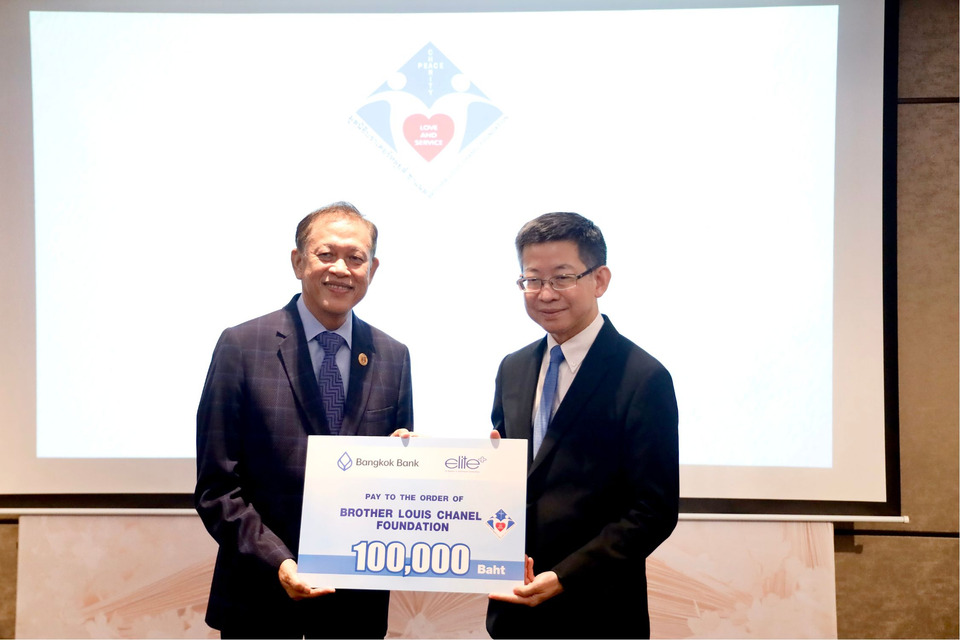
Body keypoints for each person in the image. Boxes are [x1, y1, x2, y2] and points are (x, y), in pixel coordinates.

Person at [195, 202, 413, 639]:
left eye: (355, 258)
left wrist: (415, 464)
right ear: (298, 261)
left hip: (355, 609)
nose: (341, 269)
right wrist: (279, 562)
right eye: (325, 254)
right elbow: (217, 488)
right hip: (259, 601)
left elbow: (394, 487)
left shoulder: (393, 355)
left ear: (372, 268)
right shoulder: (242, 346)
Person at [486, 212, 679, 639]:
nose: (545, 293)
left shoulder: (642, 377)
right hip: (514, 612)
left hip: (598, 612)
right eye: (532, 279)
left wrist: (565, 576)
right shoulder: (513, 368)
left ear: (600, 280)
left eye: (562, 277)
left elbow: (654, 511)